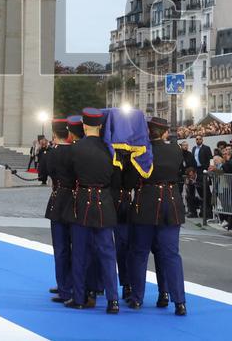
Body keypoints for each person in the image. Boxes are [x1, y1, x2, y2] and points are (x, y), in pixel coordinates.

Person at [126, 116, 187, 316]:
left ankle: (137, 298)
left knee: (140, 253)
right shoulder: (175, 151)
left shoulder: (141, 153)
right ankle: (177, 301)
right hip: (170, 204)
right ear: (165, 132)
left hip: (146, 204)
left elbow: (131, 180)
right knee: (170, 254)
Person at [65, 108, 120, 314]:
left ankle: (79, 297)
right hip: (104, 202)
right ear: (99, 126)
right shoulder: (110, 149)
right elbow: (116, 180)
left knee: (80, 252)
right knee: (107, 253)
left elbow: (70, 178)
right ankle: (112, 300)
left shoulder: (76, 149)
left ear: (84, 125)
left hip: (82, 202)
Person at [39, 118, 75, 304]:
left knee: (60, 247)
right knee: (76, 246)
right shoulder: (76, 152)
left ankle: (64, 287)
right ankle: (75, 284)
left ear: (54, 135)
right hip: (76, 199)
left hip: (58, 199)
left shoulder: (49, 154)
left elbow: (42, 175)